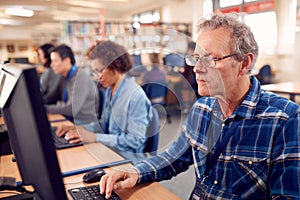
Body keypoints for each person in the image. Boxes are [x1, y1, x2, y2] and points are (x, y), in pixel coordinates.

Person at [99, 13, 300, 199]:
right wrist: (135, 171)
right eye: (195, 58)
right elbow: (173, 158)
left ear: (244, 63)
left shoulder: (285, 121)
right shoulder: (201, 109)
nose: (197, 68)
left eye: (211, 59)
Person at [56, 40, 153, 163]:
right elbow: (103, 124)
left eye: (100, 70)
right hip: (110, 151)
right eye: (94, 71)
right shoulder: (110, 90)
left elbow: (135, 140)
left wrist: (95, 137)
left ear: (116, 66)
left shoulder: (135, 97)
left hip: (129, 161)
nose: (97, 77)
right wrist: (79, 129)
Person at [45, 44, 99, 125]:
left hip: (85, 125)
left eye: (55, 61)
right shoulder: (63, 77)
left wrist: (43, 109)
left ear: (67, 60)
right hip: (72, 122)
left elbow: (71, 109)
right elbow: (52, 98)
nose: (51, 65)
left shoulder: (80, 77)